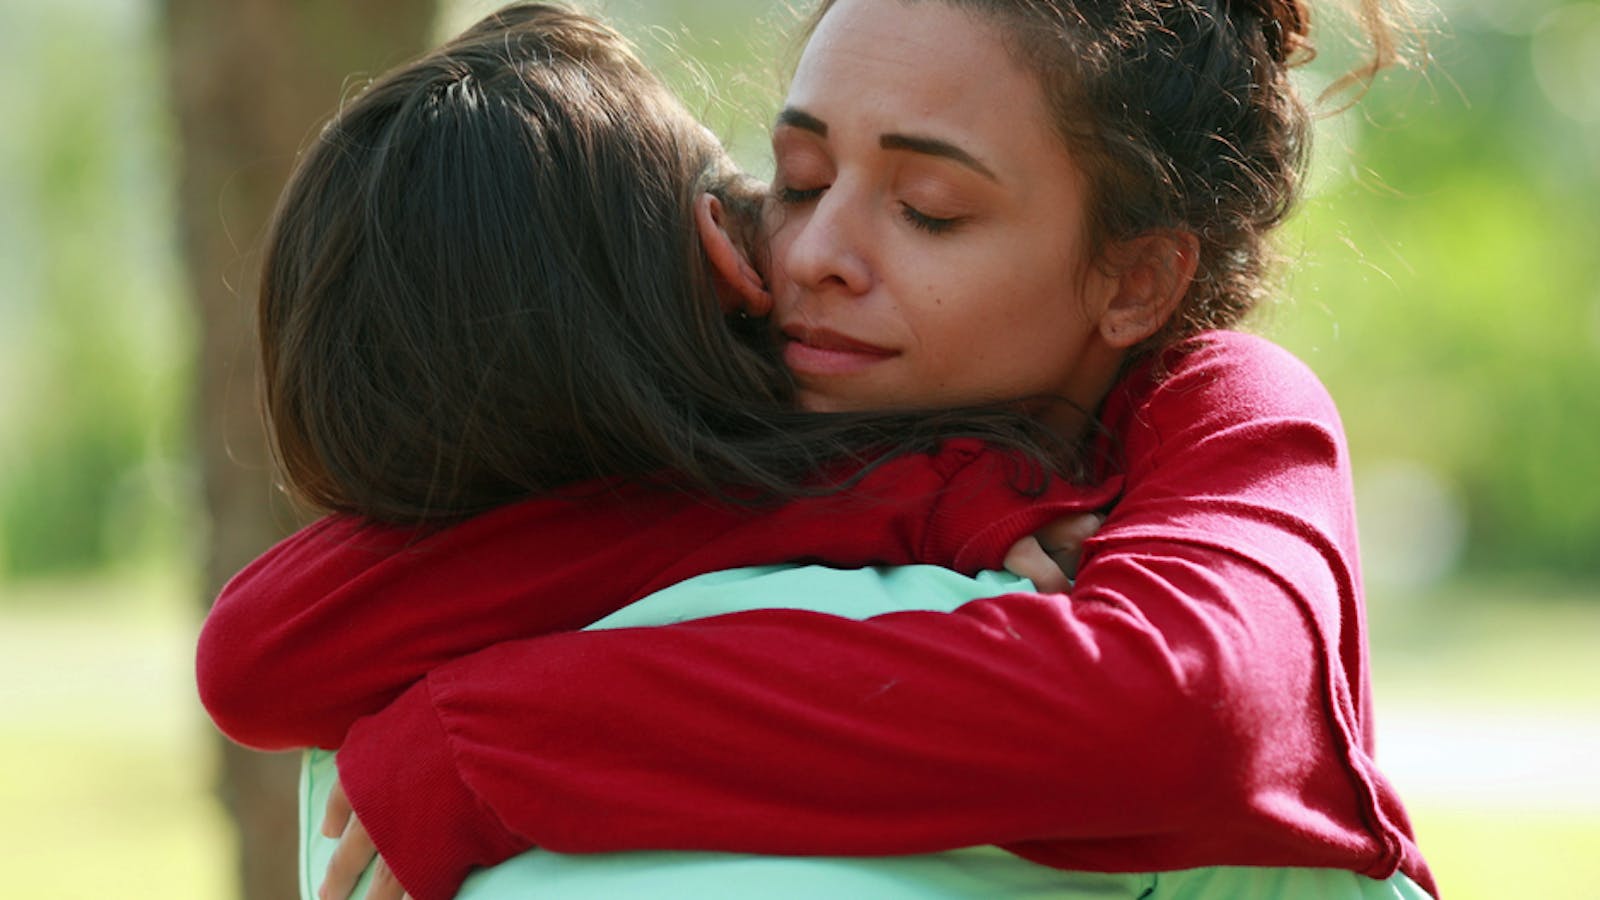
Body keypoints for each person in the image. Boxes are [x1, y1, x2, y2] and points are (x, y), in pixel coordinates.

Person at [197, 0, 1440, 898]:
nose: (813, 254)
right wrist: (888, 501)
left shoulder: (1214, 409)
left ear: (1134, 277)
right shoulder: (802, 405)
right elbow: (264, 651)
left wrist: (490, 745)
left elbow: (1183, 716)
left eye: (925, 209)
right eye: (795, 177)